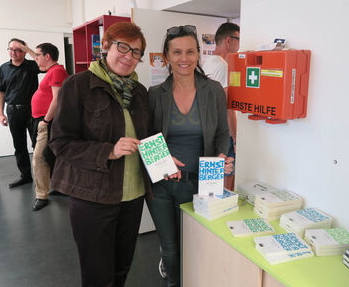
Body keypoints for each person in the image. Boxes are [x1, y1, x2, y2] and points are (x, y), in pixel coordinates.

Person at [49, 22, 150, 287]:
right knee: (97, 274)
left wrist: (162, 160)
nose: (129, 56)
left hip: (132, 196)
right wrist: (109, 150)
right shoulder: (78, 85)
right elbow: (60, 142)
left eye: (136, 52)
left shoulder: (139, 93)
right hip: (93, 196)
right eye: (123, 47)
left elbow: (147, 137)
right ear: (105, 47)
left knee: (121, 268)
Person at [147, 25, 234, 287]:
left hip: (200, 182)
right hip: (162, 184)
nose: (184, 58)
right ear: (167, 56)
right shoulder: (155, 94)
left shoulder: (213, 90)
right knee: (170, 248)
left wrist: (222, 156)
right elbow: (147, 138)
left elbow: (221, 131)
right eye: (177, 52)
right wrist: (162, 161)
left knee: (195, 245)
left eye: (190, 51)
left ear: (198, 54)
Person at [20, 42, 68, 211]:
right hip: (42, 120)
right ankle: (59, 186)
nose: (35, 59)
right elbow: (38, 56)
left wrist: (45, 121)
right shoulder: (52, 70)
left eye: (38, 56)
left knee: (39, 157)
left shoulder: (57, 72)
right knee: (50, 156)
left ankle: (41, 195)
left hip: (47, 121)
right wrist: (28, 50)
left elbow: (57, 99)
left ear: (47, 57)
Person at [0, 38, 40, 188]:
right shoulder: (3, 68)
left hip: (32, 110)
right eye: (11, 49)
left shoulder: (33, 65)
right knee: (19, 146)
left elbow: (44, 64)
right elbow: (0, 91)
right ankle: (25, 176)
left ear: (24, 52)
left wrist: (29, 49)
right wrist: (1, 113)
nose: (13, 52)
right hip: (13, 111)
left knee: (38, 145)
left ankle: (44, 178)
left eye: (18, 49)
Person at [202, 22, 240, 190]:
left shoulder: (207, 63)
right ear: (228, 41)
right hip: (223, 133)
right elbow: (227, 106)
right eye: (238, 39)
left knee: (212, 181)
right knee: (228, 178)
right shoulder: (224, 66)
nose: (239, 44)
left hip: (209, 131)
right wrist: (235, 136)